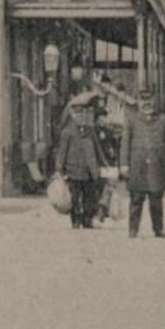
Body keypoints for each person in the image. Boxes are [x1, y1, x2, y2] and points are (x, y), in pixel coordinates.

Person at [120, 89, 165, 239]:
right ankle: (133, 230)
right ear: (138, 102)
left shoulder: (163, 119)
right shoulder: (131, 119)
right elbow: (125, 142)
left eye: (150, 101)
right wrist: (124, 163)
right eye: (143, 101)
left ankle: (158, 229)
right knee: (136, 199)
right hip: (137, 165)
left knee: (156, 199)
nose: (147, 104)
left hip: (157, 166)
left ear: (155, 102)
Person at [53, 97, 107, 230]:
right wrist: (59, 168)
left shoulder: (91, 131)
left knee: (89, 196)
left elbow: (98, 149)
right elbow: (62, 152)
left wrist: (105, 164)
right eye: (78, 114)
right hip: (73, 170)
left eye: (83, 114)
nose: (81, 117)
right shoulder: (67, 132)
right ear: (72, 115)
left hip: (89, 170)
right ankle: (76, 220)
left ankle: (87, 219)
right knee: (75, 197)